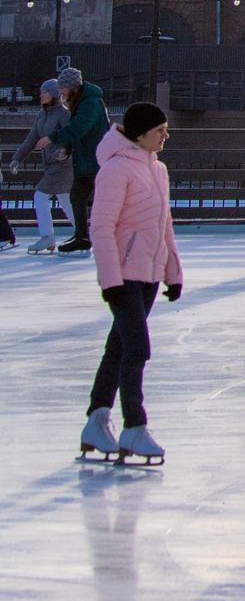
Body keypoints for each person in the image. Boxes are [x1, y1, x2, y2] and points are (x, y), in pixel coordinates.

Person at [80, 102, 182, 466]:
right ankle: (134, 427)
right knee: (137, 350)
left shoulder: (158, 170)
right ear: (140, 134)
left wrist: (173, 272)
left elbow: (163, 225)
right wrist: (111, 281)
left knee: (118, 349)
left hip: (149, 275)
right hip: (123, 277)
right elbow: (101, 228)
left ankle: (96, 420)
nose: (165, 135)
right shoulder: (116, 170)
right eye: (160, 130)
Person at [44, 66, 109, 255]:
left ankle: (98, 237)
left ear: (73, 87)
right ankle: (82, 237)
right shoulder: (80, 101)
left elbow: (80, 128)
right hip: (86, 161)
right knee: (77, 196)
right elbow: (78, 131)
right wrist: (67, 149)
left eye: (62, 88)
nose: (60, 92)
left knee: (98, 201)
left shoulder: (89, 103)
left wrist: (53, 138)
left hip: (95, 161)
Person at [10, 78, 75, 254]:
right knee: (65, 201)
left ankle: (48, 236)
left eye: (45, 92)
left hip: (62, 165)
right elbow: (31, 140)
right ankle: (85, 233)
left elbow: (70, 137)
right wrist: (17, 159)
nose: (41, 95)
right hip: (51, 165)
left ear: (54, 94)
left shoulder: (64, 114)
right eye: (41, 92)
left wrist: (63, 152)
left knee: (40, 196)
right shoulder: (42, 115)